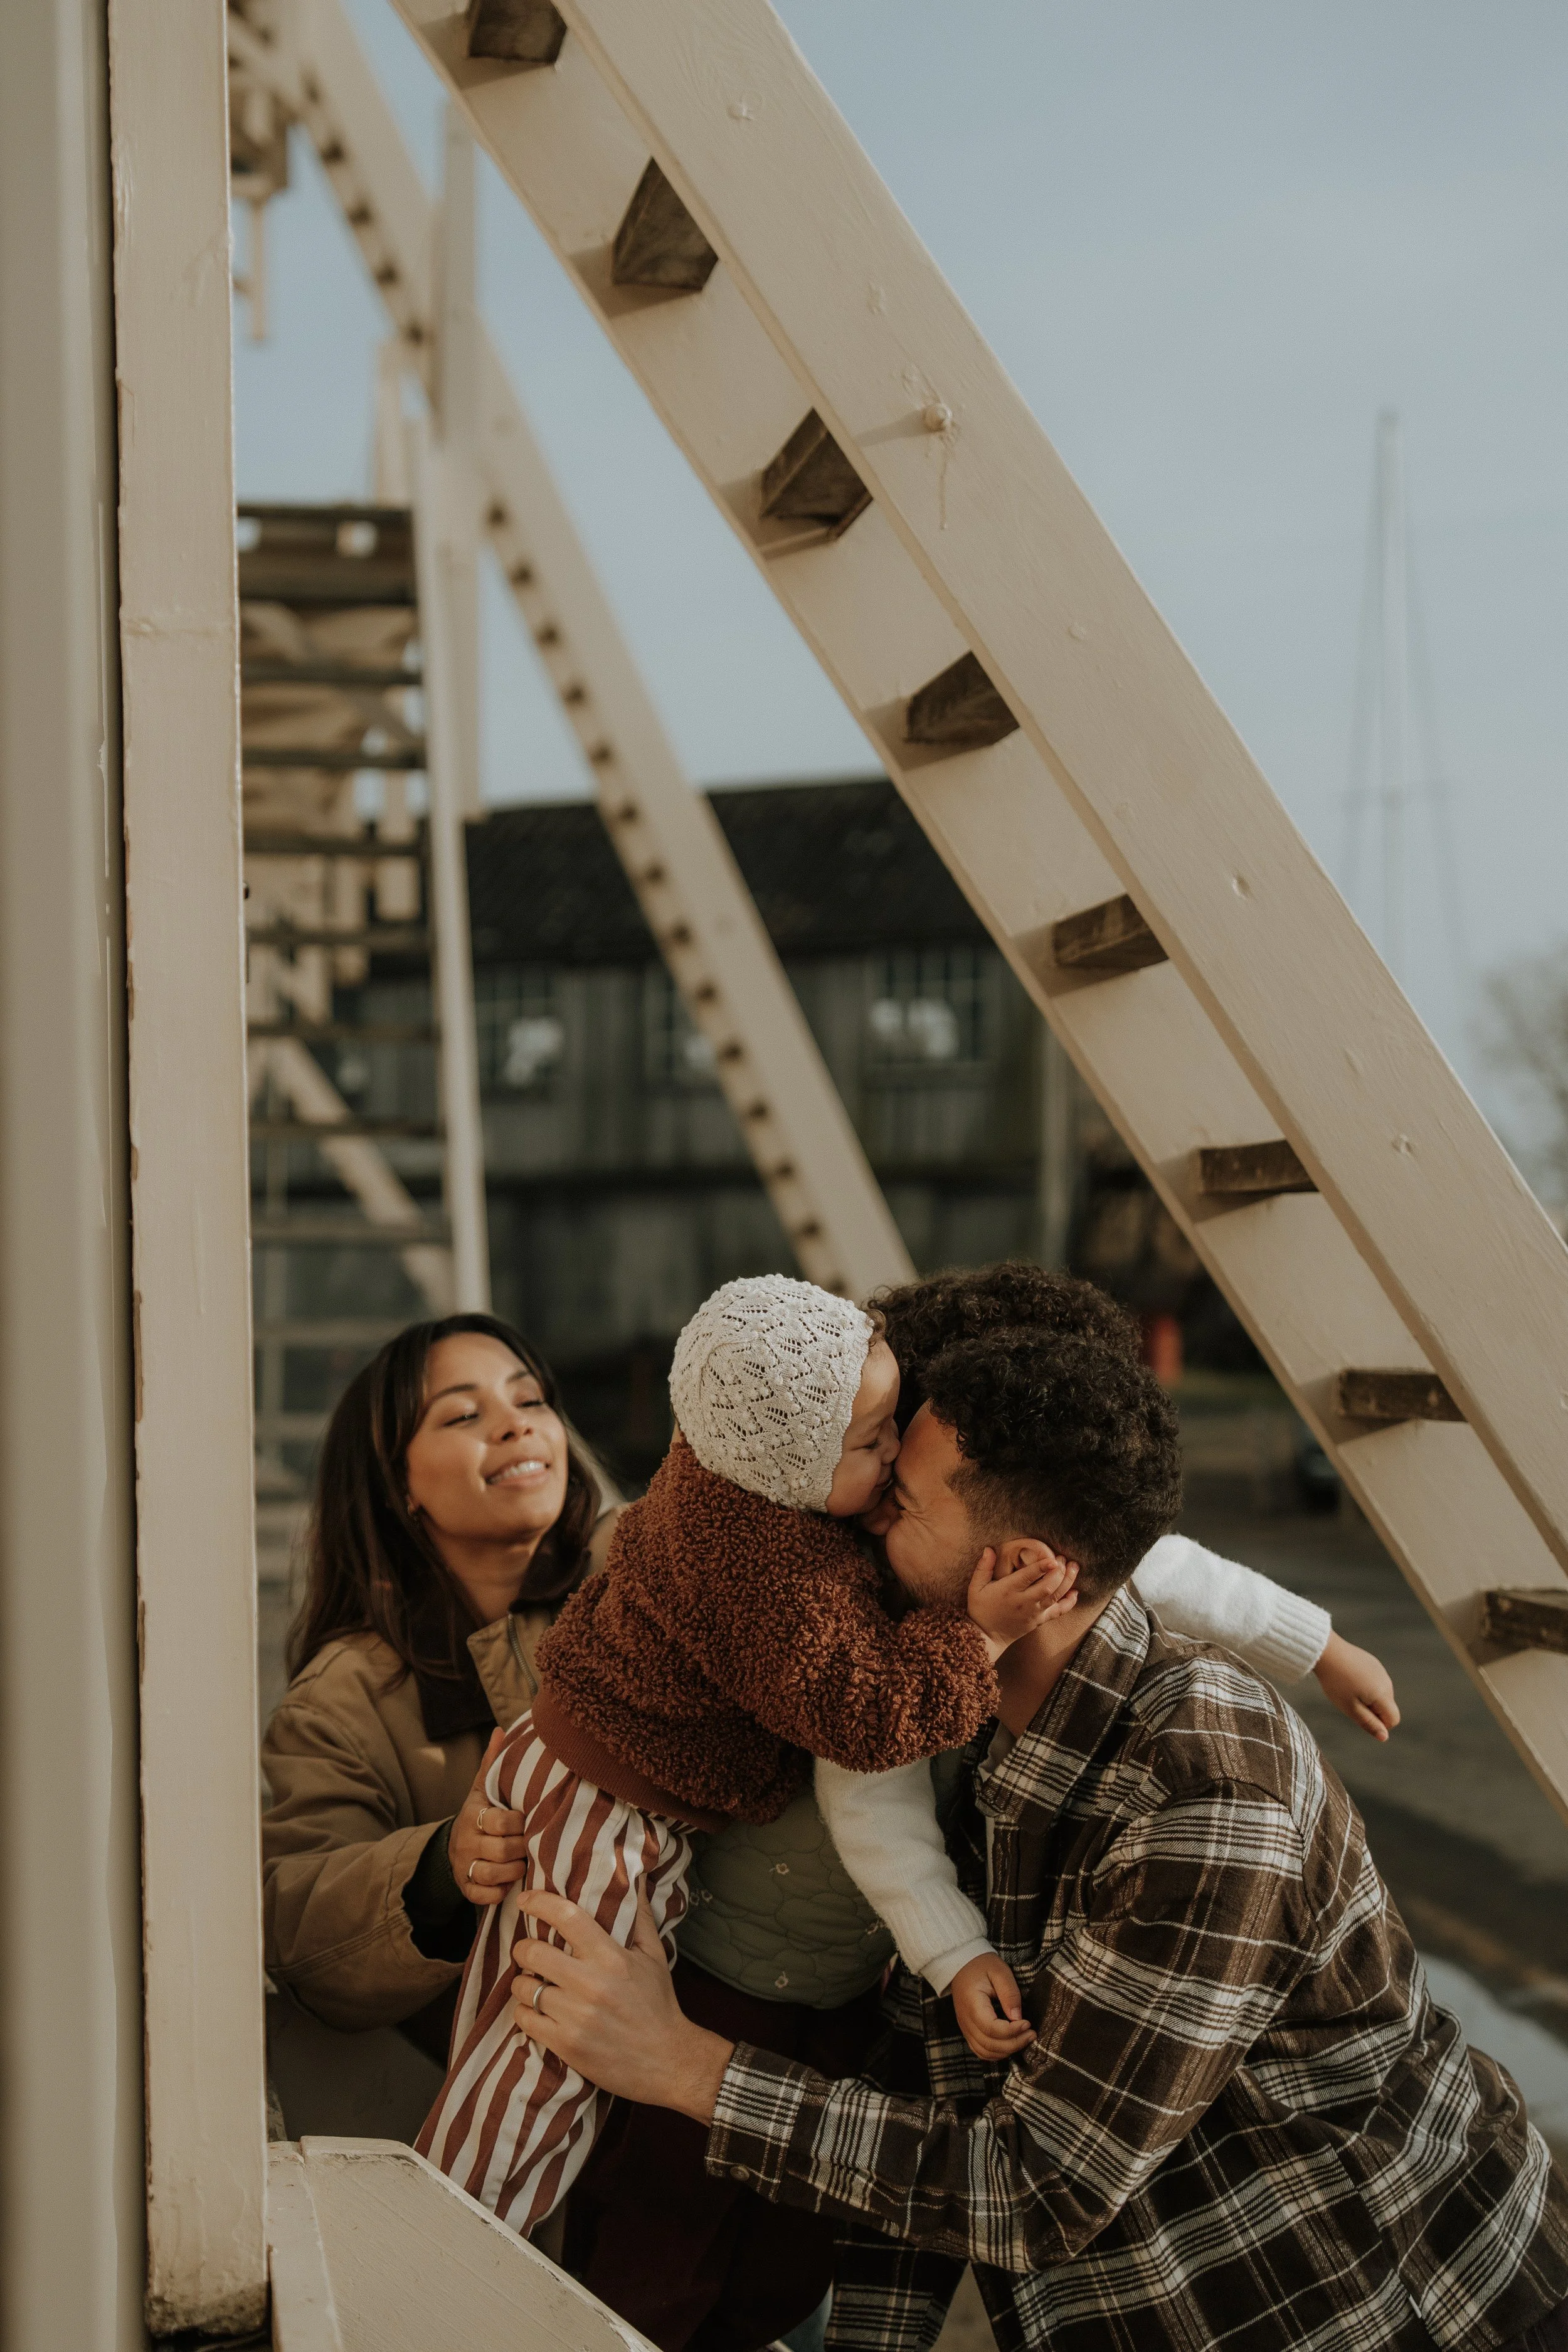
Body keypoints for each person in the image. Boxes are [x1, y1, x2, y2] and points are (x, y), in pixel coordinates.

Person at [511, 1323, 1568, 2352]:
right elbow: (931, 2072)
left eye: (901, 1498)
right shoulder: (955, 1716)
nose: (863, 1515)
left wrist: (683, 2064)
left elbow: (1036, 2187)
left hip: (1391, 2303)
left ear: (1020, 1567)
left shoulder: (1205, 1783)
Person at [415, 1274, 1084, 2237]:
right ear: (793, 1465)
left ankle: (446, 2216)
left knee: (503, 2018)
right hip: (616, 1800)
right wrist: (975, 1638)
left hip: (557, 1752)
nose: (894, 1453)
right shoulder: (774, 1573)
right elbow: (866, 1717)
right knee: (551, 2057)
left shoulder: (722, 1451)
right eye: (870, 1443)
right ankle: (447, 2260)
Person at [262, 1312, 609, 2065]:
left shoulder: (641, 1576)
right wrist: (441, 1863)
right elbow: (294, 1927)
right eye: (463, 1414)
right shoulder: (340, 1701)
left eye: (531, 1401)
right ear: (398, 1485)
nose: (516, 1428)